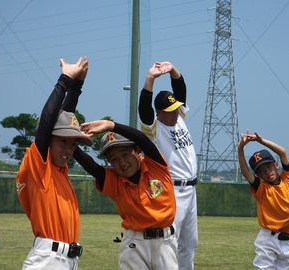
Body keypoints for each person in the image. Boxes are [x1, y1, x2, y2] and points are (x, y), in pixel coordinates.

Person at [16, 57, 93, 270]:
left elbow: (63, 119)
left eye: (73, 143)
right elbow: (49, 121)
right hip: (47, 260)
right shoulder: (39, 166)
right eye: (62, 142)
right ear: (47, 140)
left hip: (68, 259)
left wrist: (77, 86)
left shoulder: (59, 170)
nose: (69, 149)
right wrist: (65, 79)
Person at [73, 119, 178, 270]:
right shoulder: (114, 181)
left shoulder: (156, 167)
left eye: (125, 154)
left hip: (166, 242)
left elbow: (142, 138)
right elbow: (91, 166)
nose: (122, 163)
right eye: (114, 159)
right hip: (135, 244)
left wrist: (111, 126)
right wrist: (70, 139)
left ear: (138, 150)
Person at [138, 61, 198, 270]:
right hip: (172, 189)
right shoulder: (154, 130)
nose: (175, 112)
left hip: (191, 191)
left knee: (190, 244)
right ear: (158, 112)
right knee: (170, 241)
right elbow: (144, 109)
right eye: (169, 110)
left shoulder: (178, 118)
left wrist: (172, 69)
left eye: (175, 108)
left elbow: (180, 90)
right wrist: (150, 79)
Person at [237, 130, 289, 270]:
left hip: (287, 239)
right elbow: (245, 172)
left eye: (268, 166)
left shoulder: (288, 178)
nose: (267, 172)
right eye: (261, 171)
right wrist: (240, 148)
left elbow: (282, 152)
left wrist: (261, 141)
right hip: (268, 241)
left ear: (276, 165)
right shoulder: (262, 188)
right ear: (258, 175)